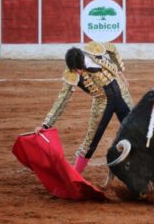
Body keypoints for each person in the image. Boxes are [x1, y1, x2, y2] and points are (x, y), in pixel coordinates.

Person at [34, 42, 134, 174]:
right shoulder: (71, 73)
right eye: (75, 70)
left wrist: (121, 72)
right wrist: (46, 124)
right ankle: (75, 175)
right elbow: (62, 99)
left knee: (137, 133)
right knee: (91, 141)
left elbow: (112, 49)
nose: (78, 72)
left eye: (78, 68)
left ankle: (150, 173)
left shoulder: (94, 49)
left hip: (122, 93)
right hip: (103, 102)